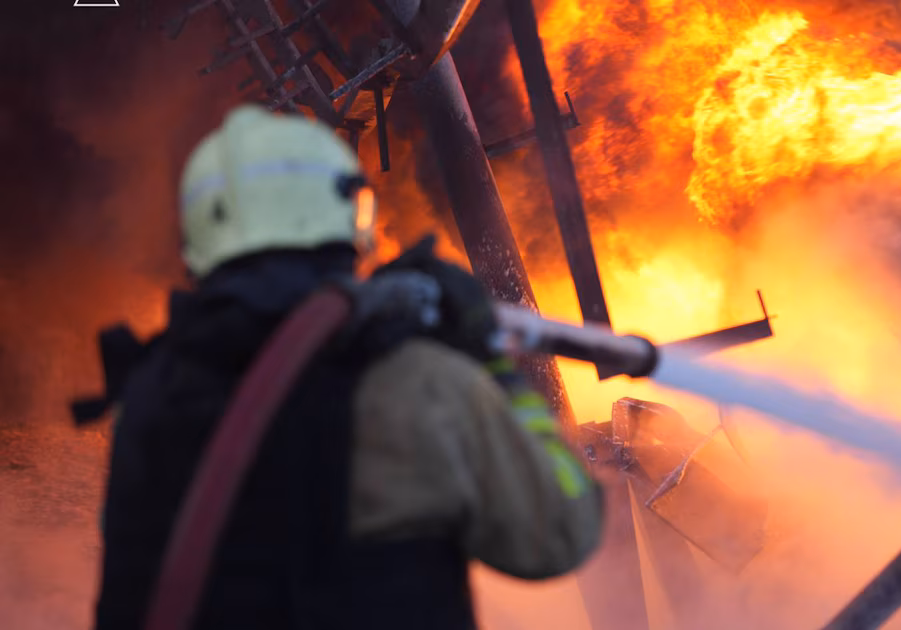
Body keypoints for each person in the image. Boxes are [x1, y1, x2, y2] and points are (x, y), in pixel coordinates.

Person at [85, 104, 604, 629]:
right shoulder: (417, 384)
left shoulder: (151, 395)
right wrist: (491, 363)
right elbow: (562, 532)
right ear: (348, 217)